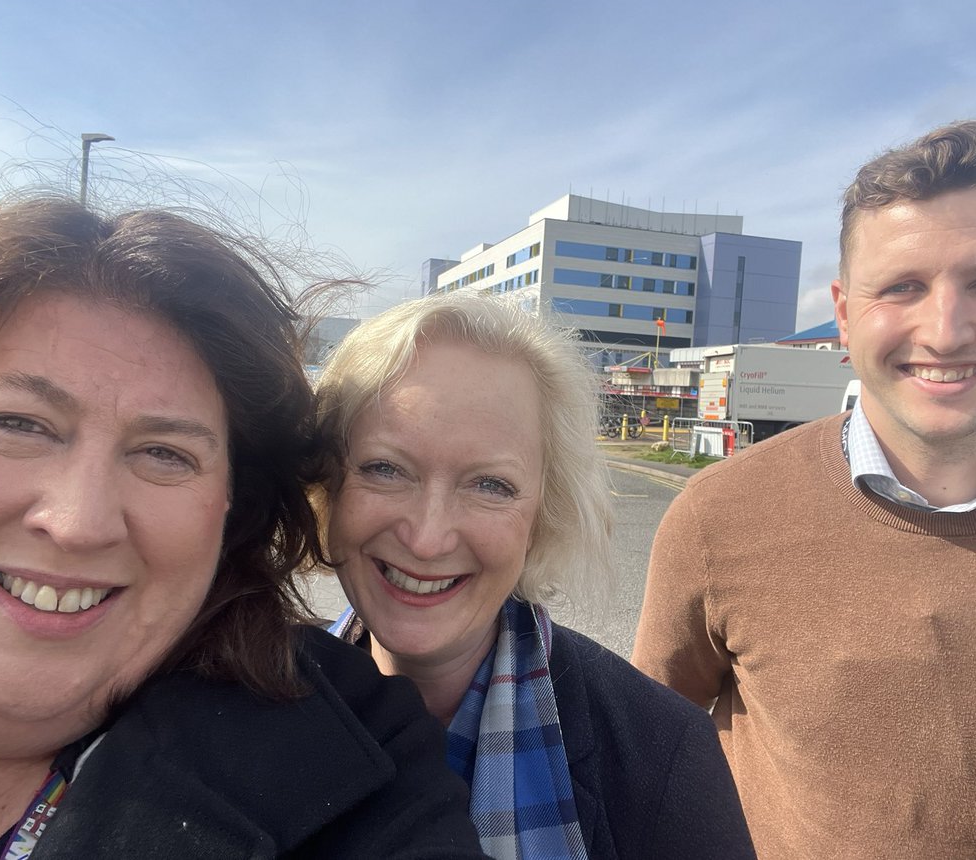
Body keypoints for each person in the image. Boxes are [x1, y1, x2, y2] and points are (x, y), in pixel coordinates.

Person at [0, 199, 486, 859]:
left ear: (234, 509)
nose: (78, 524)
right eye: (18, 423)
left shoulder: (359, 762)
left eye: (166, 454)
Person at [632, 120, 976, 859]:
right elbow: (648, 756)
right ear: (844, 313)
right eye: (902, 287)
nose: (944, 331)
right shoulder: (718, 519)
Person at [315, 290, 756, 860]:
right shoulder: (242, 706)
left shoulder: (661, 757)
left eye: (490, 485)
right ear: (326, 482)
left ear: (544, 514)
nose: (427, 537)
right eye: (384, 469)